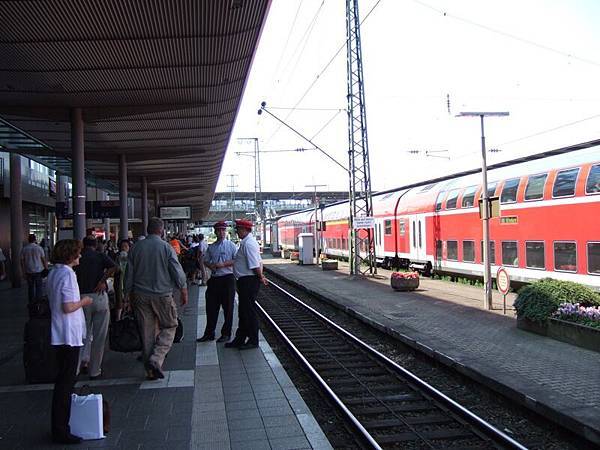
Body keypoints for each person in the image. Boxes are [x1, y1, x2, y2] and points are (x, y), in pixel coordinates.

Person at [126, 218, 188, 380]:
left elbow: (128, 275)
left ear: (147, 230)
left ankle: (150, 371)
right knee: (170, 325)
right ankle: (157, 358)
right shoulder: (166, 248)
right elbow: (177, 271)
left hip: (139, 295)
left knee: (147, 333)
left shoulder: (135, 248)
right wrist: (183, 289)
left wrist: (127, 295)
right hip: (162, 295)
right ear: (161, 231)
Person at [47, 239, 92, 444]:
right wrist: (84, 301)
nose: (80, 256)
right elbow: (68, 306)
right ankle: (61, 429)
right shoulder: (67, 274)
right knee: (66, 383)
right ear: (70, 256)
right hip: (68, 334)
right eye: (77, 253)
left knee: (62, 381)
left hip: (59, 332)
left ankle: (59, 425)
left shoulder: (54, 273)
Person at [75, 236, 117, 379]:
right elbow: (114, 266)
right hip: (98, 296)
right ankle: (95, 370)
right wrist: (102, 281)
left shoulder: (77, 257)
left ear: (83, 245)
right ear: (96, 244)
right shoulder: (100, 255)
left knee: (82, 334)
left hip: (80, 299)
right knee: (99, 336)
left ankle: (79, 366)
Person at [225, 220, 268, 350]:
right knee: (243, 312)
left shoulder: (248, 244)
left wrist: (261, 277)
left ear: (244, 229)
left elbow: (255, 264)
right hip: (245, 281)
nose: (236, 231)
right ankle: (240, 338)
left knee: (248, 312)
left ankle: (253, 340)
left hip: (248, 281)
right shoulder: (246, 243)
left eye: (238, 229)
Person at [197, 222, 237, 343]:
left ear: (226, 232)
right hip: (215, 279)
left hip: (228, 278)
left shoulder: (231, 246)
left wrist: (224, 264)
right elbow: (205, 260)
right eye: (219, 231)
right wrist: (211, 265)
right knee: (211, 307)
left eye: (223, 230)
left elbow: (236, 260)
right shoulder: (211, 247)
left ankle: (226, 334)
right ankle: (209, 333)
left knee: (228, 307)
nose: (221, 233)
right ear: (215, 232)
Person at [21, 234, 48, 304]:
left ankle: (31, 302)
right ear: (35, 239)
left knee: (30, 287)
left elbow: (22, 261)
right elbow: (43, 259)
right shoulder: (39, 248)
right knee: (39, 287)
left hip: (28, 271)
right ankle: (38, 302)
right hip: (38, 271)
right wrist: (46, 268)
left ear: (28, 240)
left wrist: (23, 271)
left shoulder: (24, 249)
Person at [112, 239, 131, 322]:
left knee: (128, 299)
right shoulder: (116, 257)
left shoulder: (131, 257)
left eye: (126, 246)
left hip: (128, 281)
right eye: (122, 246)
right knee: (119, 300)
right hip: (119, 280)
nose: (124, 248)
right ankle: (118, 319)